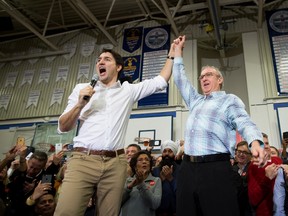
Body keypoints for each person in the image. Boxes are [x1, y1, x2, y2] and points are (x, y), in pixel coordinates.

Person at [54, 38, 178, 216]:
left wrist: (171, 56)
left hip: (115, 163)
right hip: (83, 160)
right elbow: (64, 126)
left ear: (118, 67)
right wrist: (80, 104)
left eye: (106, 59)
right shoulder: (82, 89)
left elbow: (160, 81)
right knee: (66, 212)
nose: (100, 62)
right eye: (98, 60)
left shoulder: (127, 90)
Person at [172, 35, 267, 216]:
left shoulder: (228, 100)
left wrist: (255, 142)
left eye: (208, 75)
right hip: (187, 169)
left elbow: (244, 121)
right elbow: (180, 79)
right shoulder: (195, 100)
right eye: (201, 76)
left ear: (220, 79)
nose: (203, 78)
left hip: (215, 168)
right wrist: (178, 53)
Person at [247, 132, 282, 216]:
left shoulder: (277, 160)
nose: (266, 146)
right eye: (262, 144)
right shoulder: (253, 167)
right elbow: (253, 200)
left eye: (267, 143)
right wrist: (267, 178)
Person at [120, 150, 162, 216]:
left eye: (147, 160)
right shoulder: (127, 180)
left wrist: (141, 184)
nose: (144, 162)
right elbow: (117, 203)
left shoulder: (156, 180)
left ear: (150, 165)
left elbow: (155, 204)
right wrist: (129, 188)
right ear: (134, 166)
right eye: (140, 160)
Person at [152, 140, 179, 216]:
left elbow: (182, 193)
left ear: (174, 153)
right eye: (165, 151)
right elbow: (151, 192)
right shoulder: (155, 171)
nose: (167, 154)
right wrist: (161, 181)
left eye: (170, 151)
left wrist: (171, 179)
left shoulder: (181, 170)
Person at [232, 141, 253, 216]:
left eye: (245, 152)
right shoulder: (230, 169)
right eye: (239, 151)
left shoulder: (253, 168)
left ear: (250, 155)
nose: (241, 154)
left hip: (249, 209)